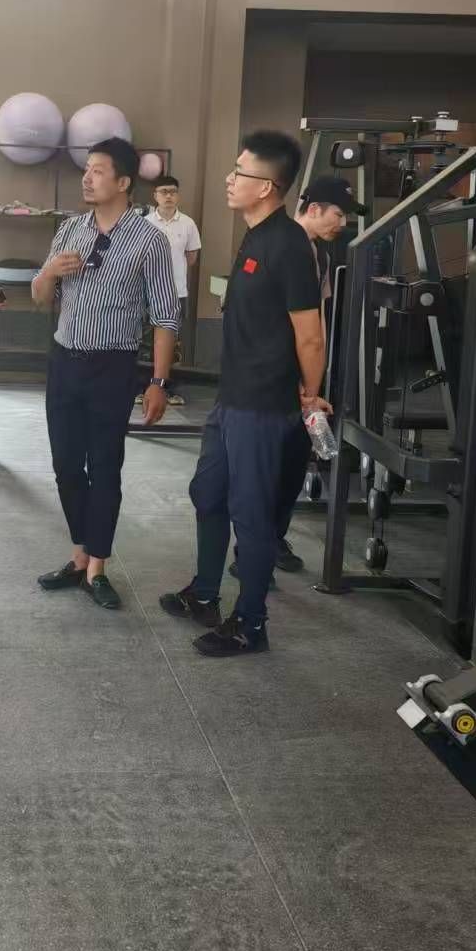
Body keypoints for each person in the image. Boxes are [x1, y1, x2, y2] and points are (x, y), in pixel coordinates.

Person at [161, 130, 328, 658]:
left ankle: (251, 623)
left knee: (251, 516)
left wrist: (311, 395)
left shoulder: (289, 244)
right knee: (208, 494)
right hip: (231, 398)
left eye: (240, 173)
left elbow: (310, 333)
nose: (230, 179)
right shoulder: (255, 236)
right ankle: (204, 594)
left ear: (267, 186)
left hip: (263, 403)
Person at [33, 137, 178, 610]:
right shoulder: (70, 229)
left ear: (123, 182)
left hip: (111, 367)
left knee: (104, 467)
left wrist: (158, 382)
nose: (87, 178)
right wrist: (50, 272)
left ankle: (97, 565)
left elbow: (165, 317)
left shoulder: (150, 241)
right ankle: (79, 554)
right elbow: (40, 297)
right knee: (65, 464)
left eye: (98, 170)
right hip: (64, 362)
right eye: (87, 170)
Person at [252, 173, 368, 575]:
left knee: (292, 462)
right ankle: (253, 548)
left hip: (303, 374)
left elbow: (317, 320)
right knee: (268, 466)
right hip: (276, 374)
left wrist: (315, 381)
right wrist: (302, 382)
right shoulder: (283, 246)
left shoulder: (318, 253)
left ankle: (271, 538)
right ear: (314, 208)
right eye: (339, 214)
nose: (343, 223)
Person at [142, 174, 200, 407]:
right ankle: (143, 389)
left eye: (173, 192)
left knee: (173, 343)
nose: (168, 196)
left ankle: (169, 390)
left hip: (176, 292)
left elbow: (191, 257)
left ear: (178, 196)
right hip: (147, 292)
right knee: (146, 342)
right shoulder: (145, 223)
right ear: (155, 196)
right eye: (163, 192)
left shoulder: (188, 223)